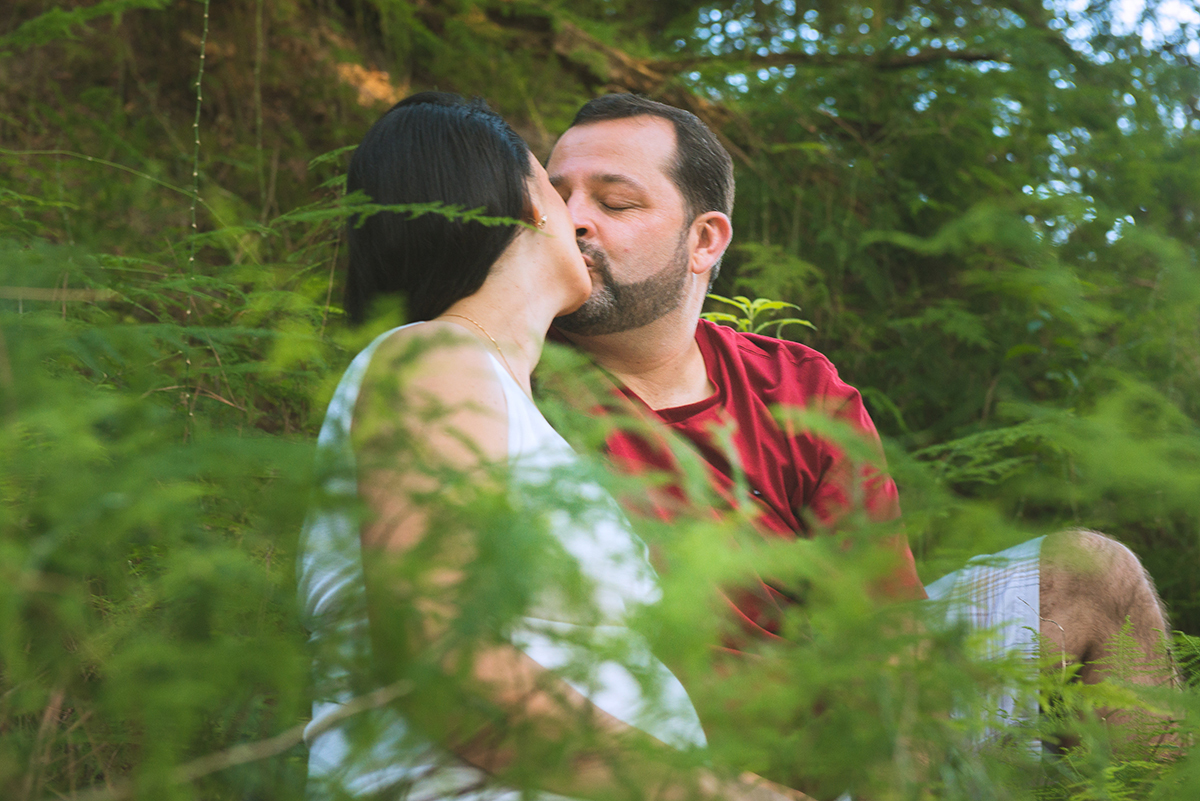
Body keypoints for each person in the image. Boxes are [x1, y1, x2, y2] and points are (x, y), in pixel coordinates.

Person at [543, 93, 1178, 755]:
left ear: (704, 240)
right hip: (661, 747)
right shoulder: (506, 372)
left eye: (614, 202)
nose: (573, 221)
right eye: (557, 199)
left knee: (1094, 572)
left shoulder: (796, 385)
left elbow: (886, 629)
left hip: (848, 727)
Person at [296, 92, 812, 801]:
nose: (579, 215)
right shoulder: (432, 360)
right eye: (555, 184)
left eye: (611, 199)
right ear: (527, 206)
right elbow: (443, 658)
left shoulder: (511, 400)